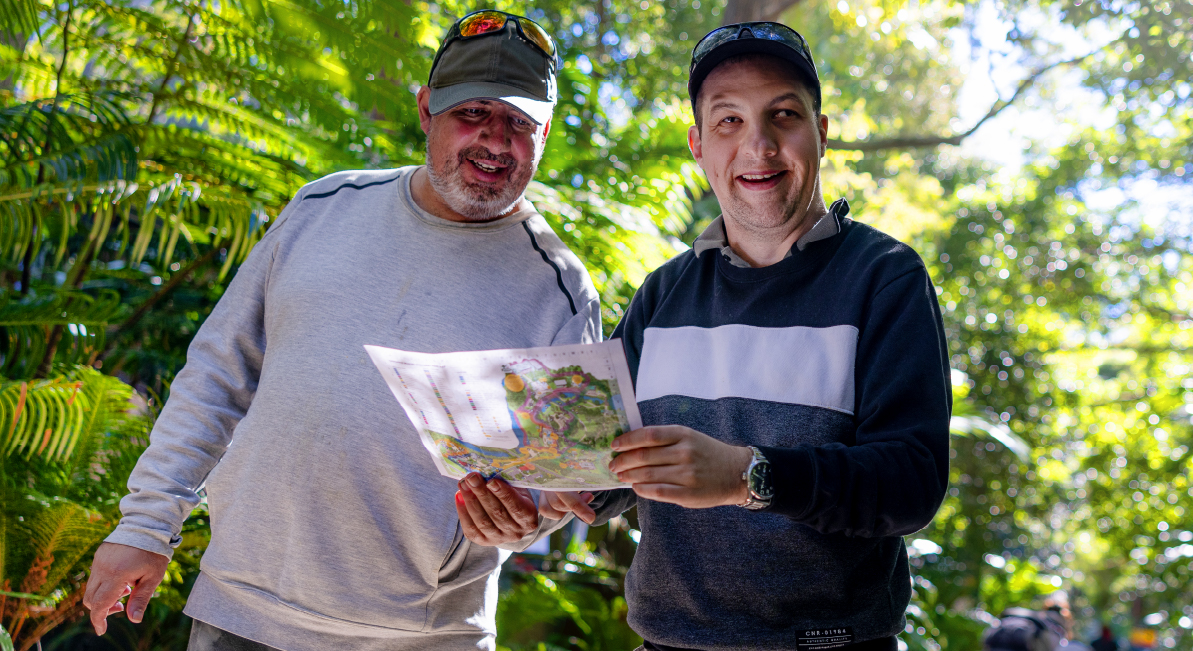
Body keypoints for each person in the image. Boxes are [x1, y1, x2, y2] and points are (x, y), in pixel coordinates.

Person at [81, 10, 599, 651]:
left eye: (519, 123)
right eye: (473, 113)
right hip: (239, 610)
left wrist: (520, 522)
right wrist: (144, 526)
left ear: (543, 133)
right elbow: (218, 375)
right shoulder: (322, 207)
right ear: (425, 110)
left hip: (420, 637)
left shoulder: (559, 288)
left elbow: (559, 493)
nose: (495, 140)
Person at [471, 21, 952, 650]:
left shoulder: (885, 278)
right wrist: (566, 488)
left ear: (821, 133)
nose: (759, 145)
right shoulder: (664, 293)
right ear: (698, 145)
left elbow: (910, 485)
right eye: (729, 121)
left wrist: (747, 475)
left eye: (783, 114)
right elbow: (613, 460)